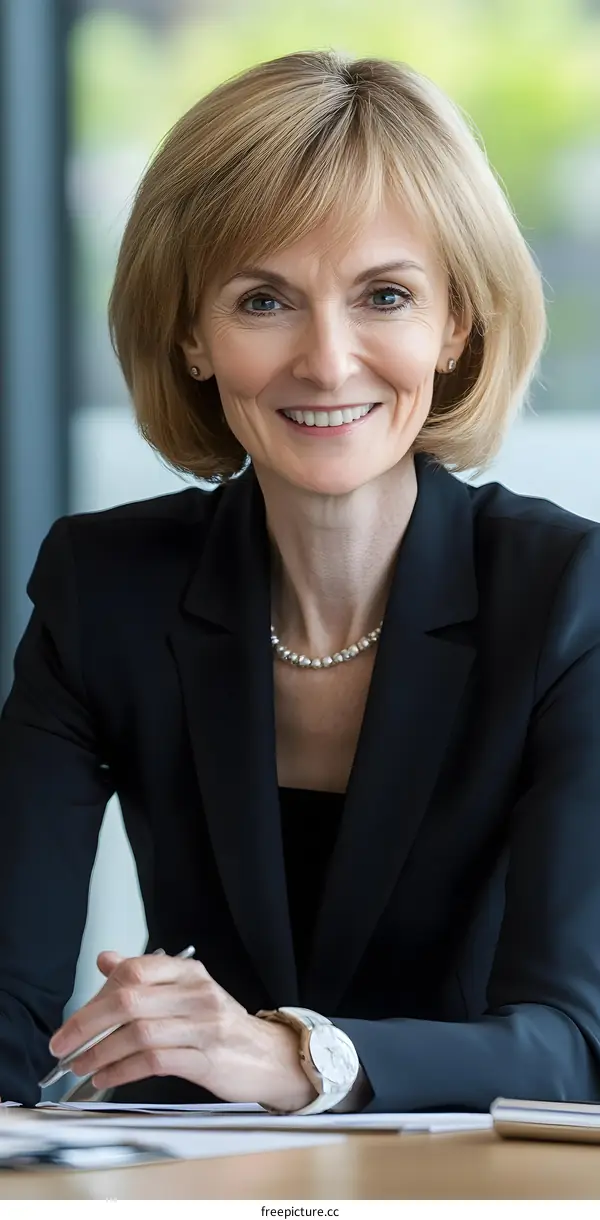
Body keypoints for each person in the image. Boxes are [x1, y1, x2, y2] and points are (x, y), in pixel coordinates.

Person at [1, 48, 599, 1115]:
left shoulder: (569, 597)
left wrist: (296, 1056)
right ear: (192, 333)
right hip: (190, 1178)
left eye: (385, 294)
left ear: (454, 323)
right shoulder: (103, 589)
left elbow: (575, 1044)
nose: (327, 362)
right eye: (265, 299)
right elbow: (5, 1008)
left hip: (463, 1186)